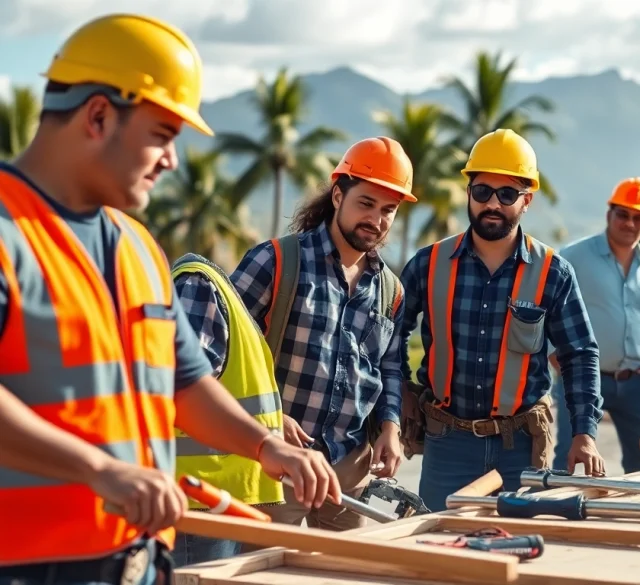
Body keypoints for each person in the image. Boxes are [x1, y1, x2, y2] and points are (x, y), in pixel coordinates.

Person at [0, 13, 339, 585]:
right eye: (161, 135)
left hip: (135, 563)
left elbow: (183, 382)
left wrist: (266, 447)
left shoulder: (137, 249)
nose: (172, 160)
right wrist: (100, 470)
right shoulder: (9, 233)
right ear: (99, 115)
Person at [399, 128, 606, 512]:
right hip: (447, 442)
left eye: (507, 194)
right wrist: (400, 392)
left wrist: (585, 433)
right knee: (436, 550)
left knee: (513, 548)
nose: (492, 204)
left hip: (520, 447)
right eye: (482, 191)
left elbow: (580, 356)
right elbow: (389, 338)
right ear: (468, 193)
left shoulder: (553, 273)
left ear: (526, 201)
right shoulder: (427, 265)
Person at [230, 136, 412, 537]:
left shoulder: (390, 290)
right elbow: (219, 355)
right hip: (277, 467)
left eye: (389, 210)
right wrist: (271, 418)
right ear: (337, 195)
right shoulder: (277, 261)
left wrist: (390, 428)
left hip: (350, 471)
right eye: (366, 203)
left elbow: (390, 367)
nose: (377, 220)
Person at [169, 251, 286, 566]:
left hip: (219, 490)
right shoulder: (199, 283)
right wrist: (266, 443)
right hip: (200, 491)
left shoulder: (219, 291)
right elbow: (185, 387)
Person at [551, 177, 640, 473]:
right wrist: (553, 353)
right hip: (581, 381)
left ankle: (637, 519)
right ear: (609, 215)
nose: (630, 223)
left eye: (639, 217)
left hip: (636, 381)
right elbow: (547, 306)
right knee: (569, 457)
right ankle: (557, 515)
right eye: (623, 214)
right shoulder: (573, 257)